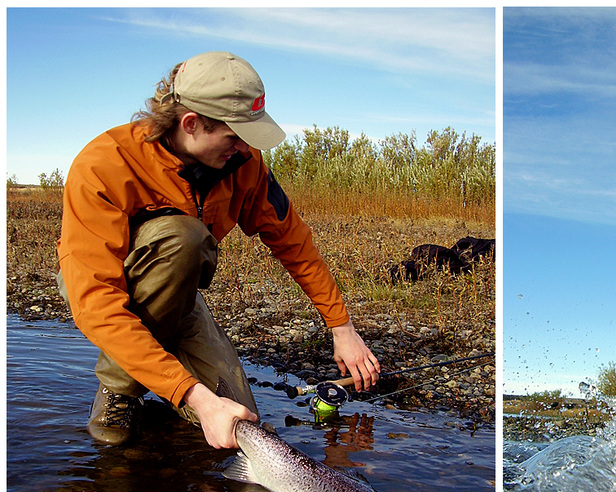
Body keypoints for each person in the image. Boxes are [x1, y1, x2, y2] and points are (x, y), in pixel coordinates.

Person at [57, 51, 380, 449]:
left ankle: (157, 370)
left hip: (181, 293)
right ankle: (119, 389)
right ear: (191, 123)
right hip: (107, 290)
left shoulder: (245, 163)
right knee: (182, 237)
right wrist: (192, 394)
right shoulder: (104, 165)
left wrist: (341, 326)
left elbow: (293, 240)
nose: (246, 148)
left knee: (243, 427)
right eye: (235, 135)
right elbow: (96, 301)